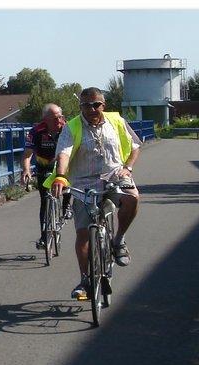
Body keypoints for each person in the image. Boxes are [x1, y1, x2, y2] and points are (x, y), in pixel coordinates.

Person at [46, 87, 142, 299]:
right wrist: (61, 176)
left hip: (115, 175)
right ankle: (85, 280)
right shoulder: (72, 127)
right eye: (86, 105)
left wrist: (129, 167)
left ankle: (119, 241)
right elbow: (63, 153)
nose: (91, 109)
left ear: (103, 105)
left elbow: (135, 146)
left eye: (96, 104)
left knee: (132, 197)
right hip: (84, 182)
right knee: (83, 233)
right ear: (80, 107)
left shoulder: (116, 122)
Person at [21, 103, 66, 249]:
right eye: (55, 118)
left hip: (62, 164)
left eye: (61, 117)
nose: (59, 121)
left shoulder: (67, 129)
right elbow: (27, 156)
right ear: (45, 120)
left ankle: (66, 206)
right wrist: (26, 170)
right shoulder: (36, 131)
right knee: (45, 201)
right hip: (43, 165)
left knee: (66, 184)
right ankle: (44, 236)